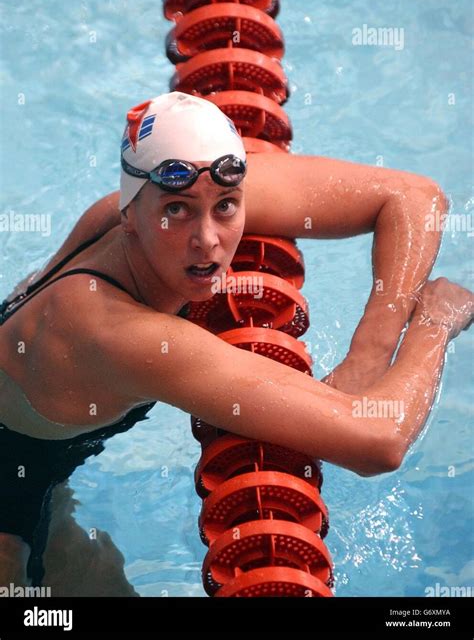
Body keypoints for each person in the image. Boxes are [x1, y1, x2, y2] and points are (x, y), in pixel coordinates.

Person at [0, 91, 472, 591]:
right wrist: (435, 323)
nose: (207, 240)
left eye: (225, 207)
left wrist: (367, 355)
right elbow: (381, 441)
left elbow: (416, 197)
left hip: (38, 453)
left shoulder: (141, 205)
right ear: (130, 216)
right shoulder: (119, 334)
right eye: (177, 211)